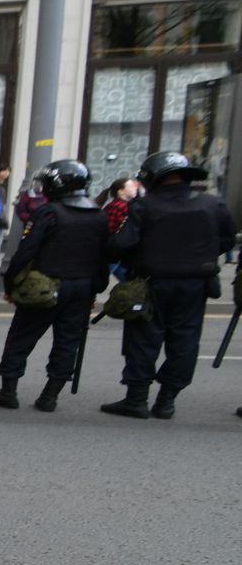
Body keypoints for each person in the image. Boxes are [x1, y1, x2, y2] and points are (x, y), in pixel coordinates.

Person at [100, 150, 237, 420]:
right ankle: (167, 400)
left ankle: (136, 400)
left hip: (152, 283)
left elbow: (122, 244)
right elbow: (227, 240)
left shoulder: (143, 206)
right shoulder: (212, 204)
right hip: (196, 284)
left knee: (143, 340)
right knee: (185, 341)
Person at [0, 159, 109, 413]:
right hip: (82, 286)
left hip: (45, 284)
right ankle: (50, 396)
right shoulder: (98, 214)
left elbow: (25, 251)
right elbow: (102, 257)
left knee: (21, 336)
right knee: (67, 342)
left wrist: (10, 284)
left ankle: (8, 391)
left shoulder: (49, 212)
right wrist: (96, 288)